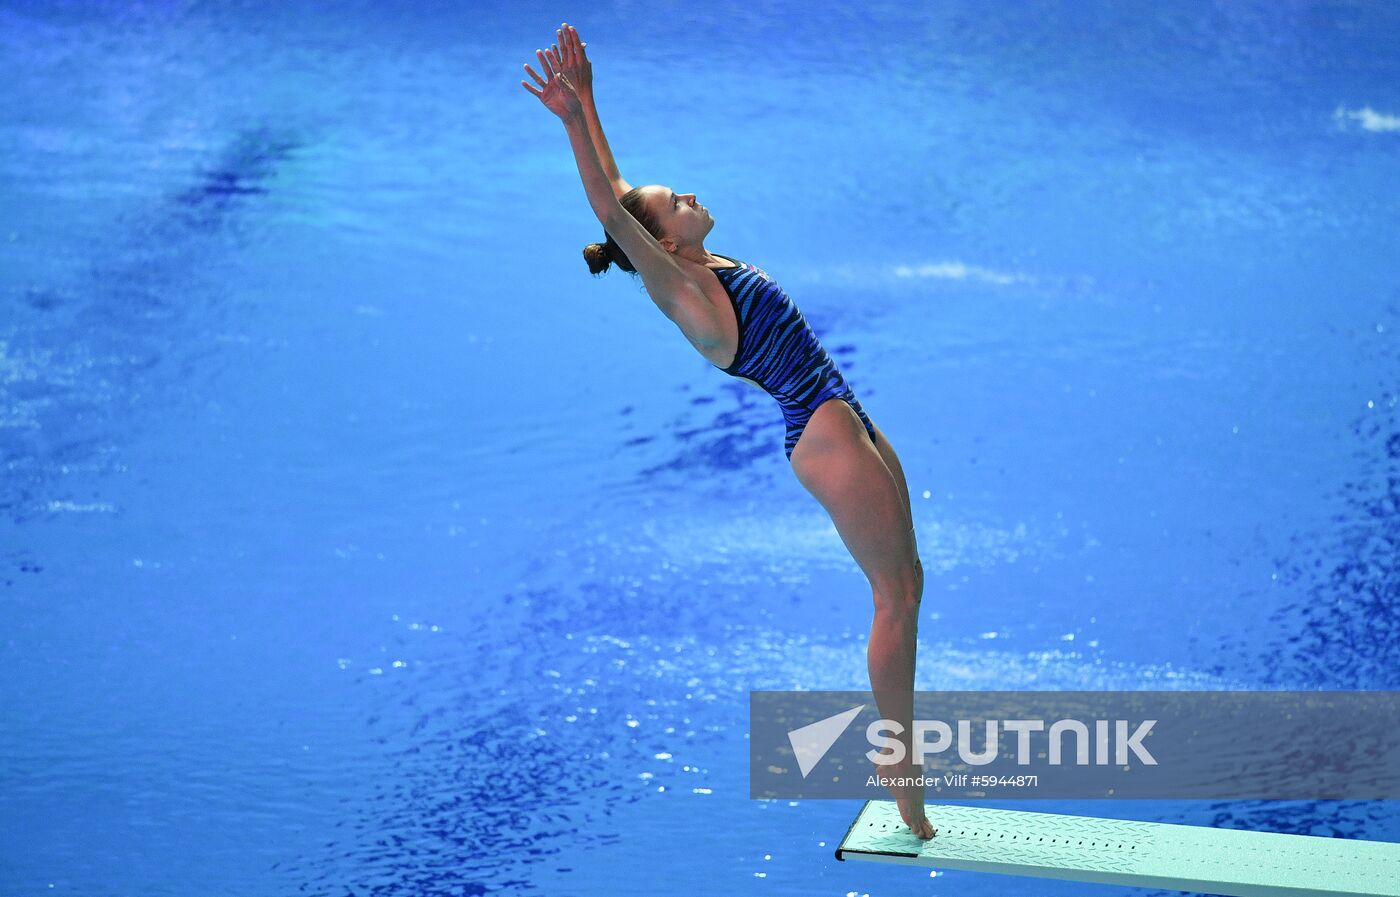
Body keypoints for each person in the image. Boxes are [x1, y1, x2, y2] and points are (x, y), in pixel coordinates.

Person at [521, 24, 932, 840]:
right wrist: (570, 121)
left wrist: (590, 99)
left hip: (841, 412)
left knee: (909, 581)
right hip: (824, 433)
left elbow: (621, 191)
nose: (687, 195)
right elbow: (612, 206)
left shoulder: (696, 266)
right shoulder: (687, 295)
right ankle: (904, 781)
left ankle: (904, 770)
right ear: (664, 244)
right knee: (894, 596)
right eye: (676, 204)